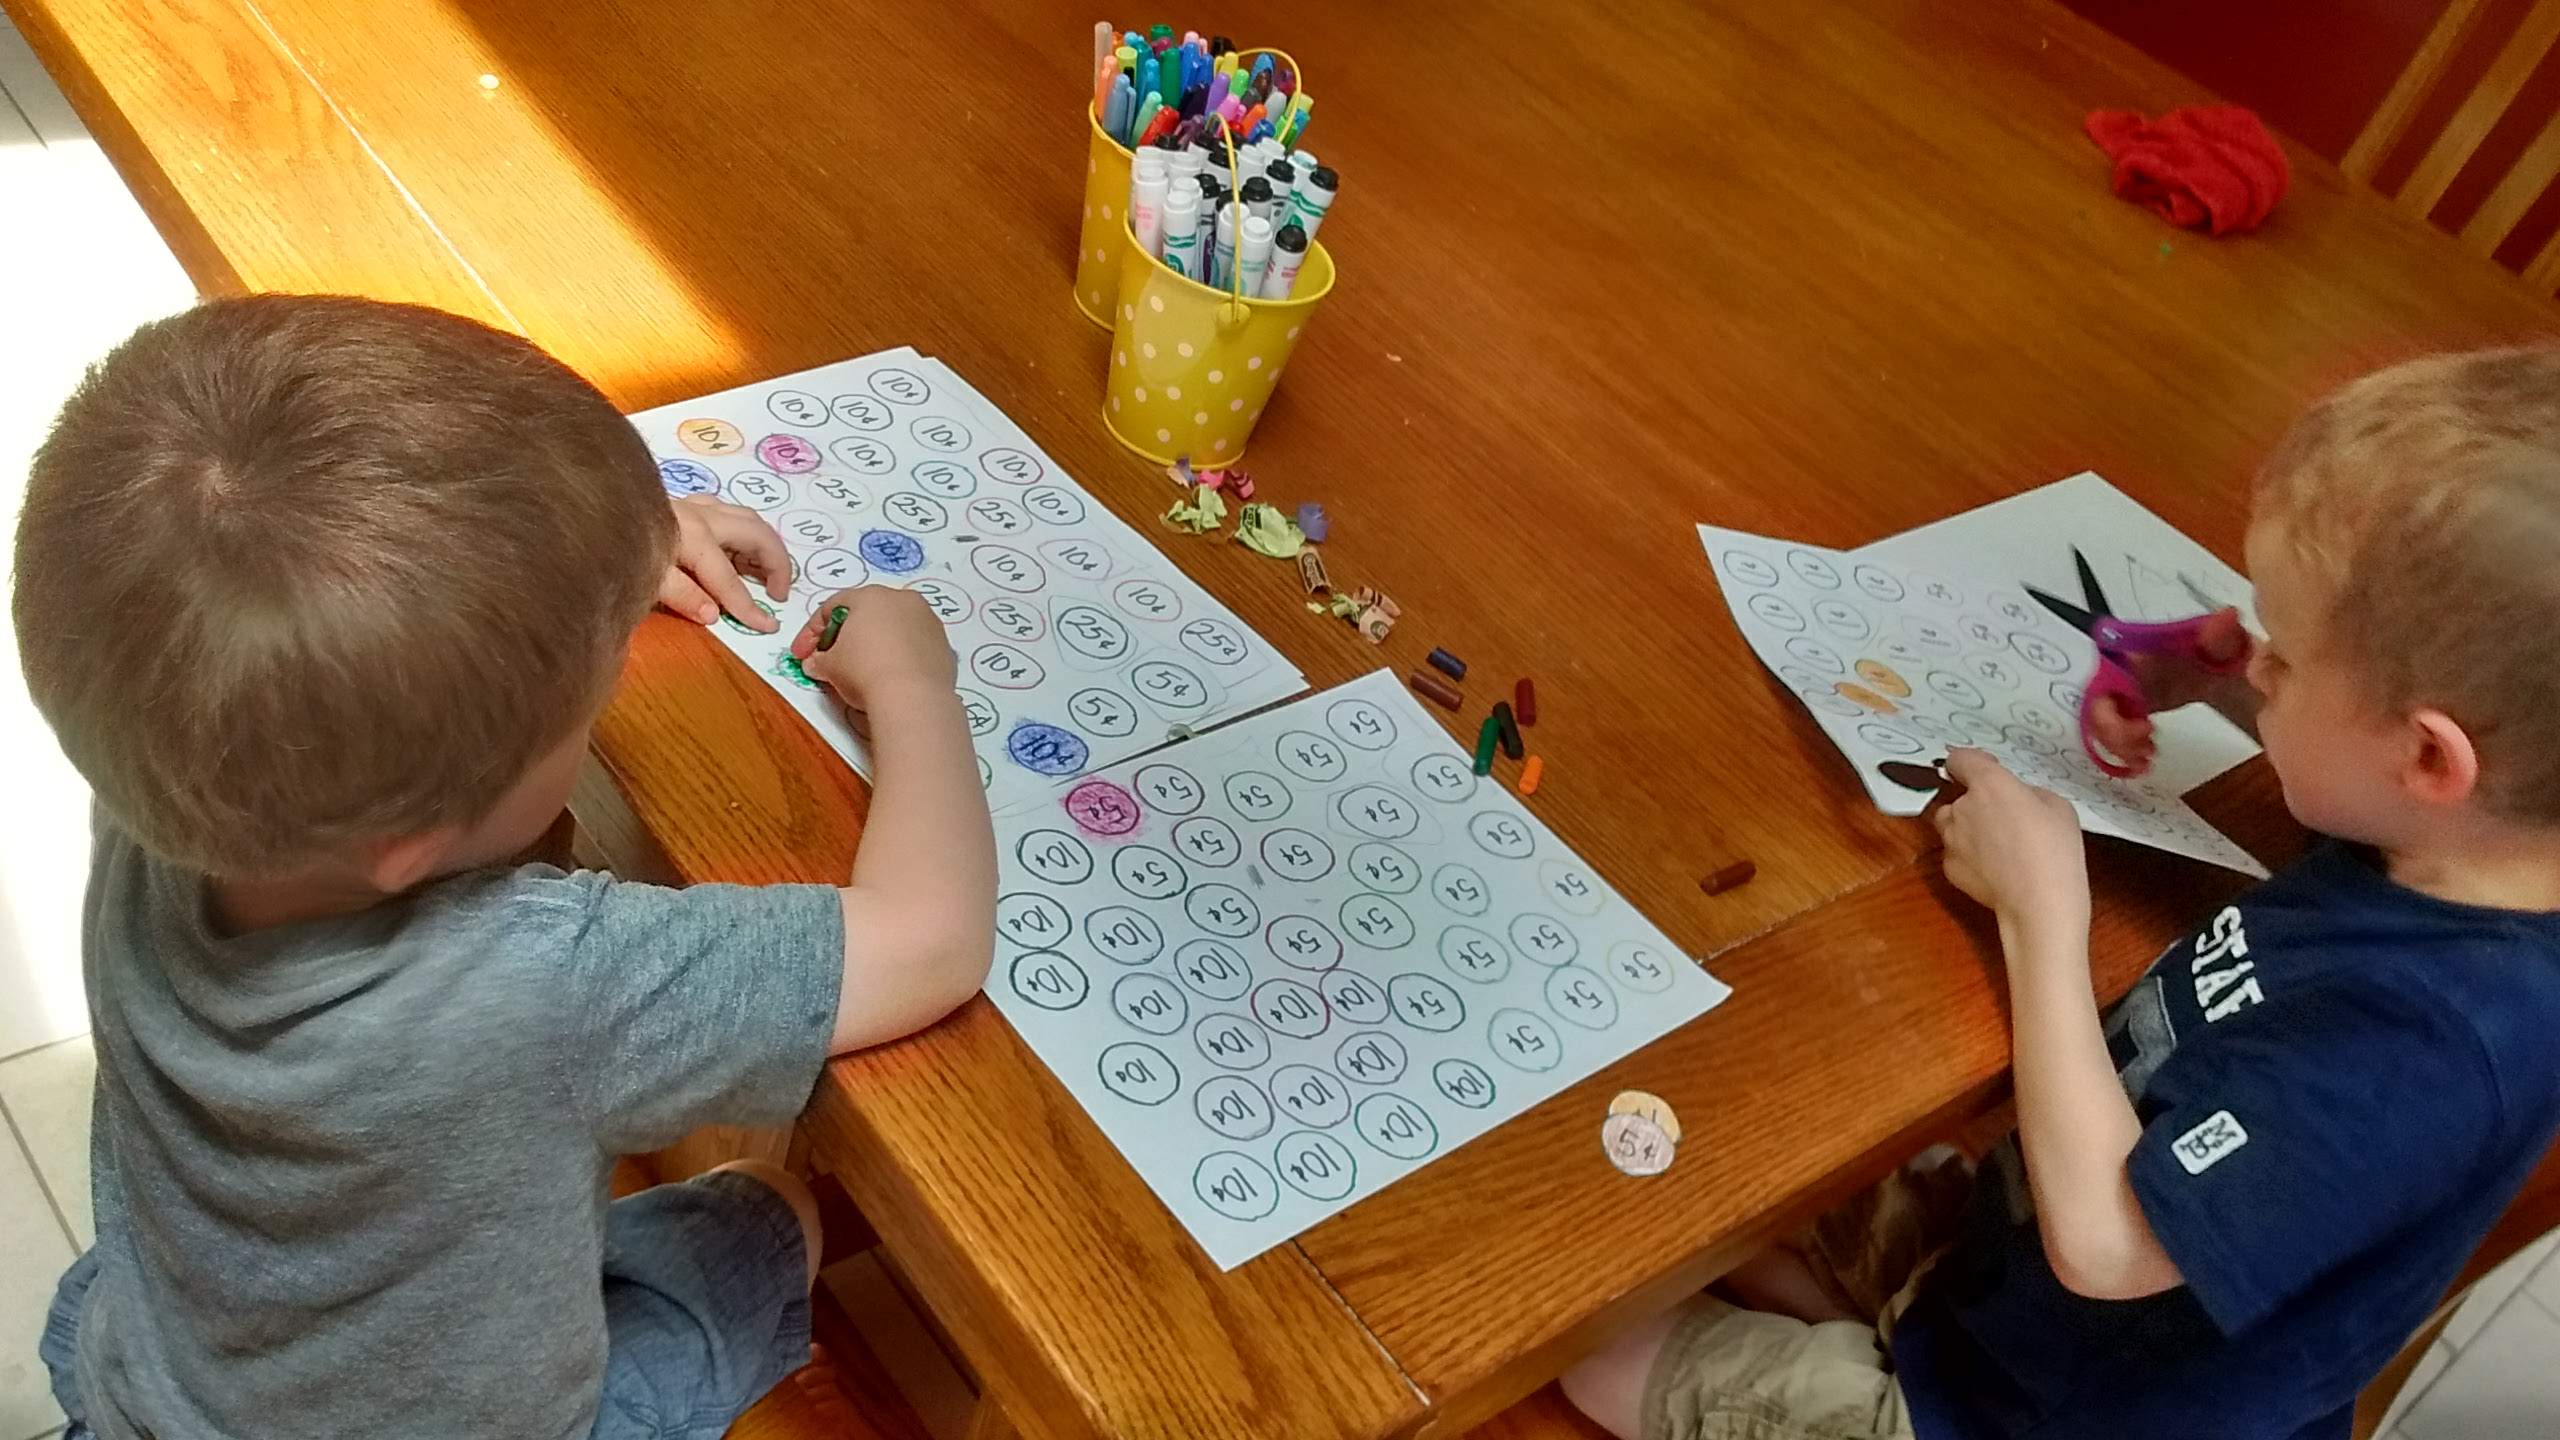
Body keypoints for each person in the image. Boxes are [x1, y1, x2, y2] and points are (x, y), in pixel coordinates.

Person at [14, 295, 996, 1440]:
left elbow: (319, 623)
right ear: (412, 845)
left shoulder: (164, 777)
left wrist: (588, 554)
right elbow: (931, 939)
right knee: (776, 1212)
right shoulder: (542, 981)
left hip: (170, 1386)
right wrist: (918, 687)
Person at [1562, 347, 2560, 1440]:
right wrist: (2218, 679)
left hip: (2059, 1404)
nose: (2257, 655)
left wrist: (2042, 908)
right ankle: (1870, 1341)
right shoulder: (2485, 837)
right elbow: (2361, 760)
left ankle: (1874, 1372)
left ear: (2429, 760)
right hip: (2010, 1290)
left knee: (1593, 1357)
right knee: (1700, 1191)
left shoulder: (2432, 1049)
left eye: (2287, 655)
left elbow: (2107, 1242)